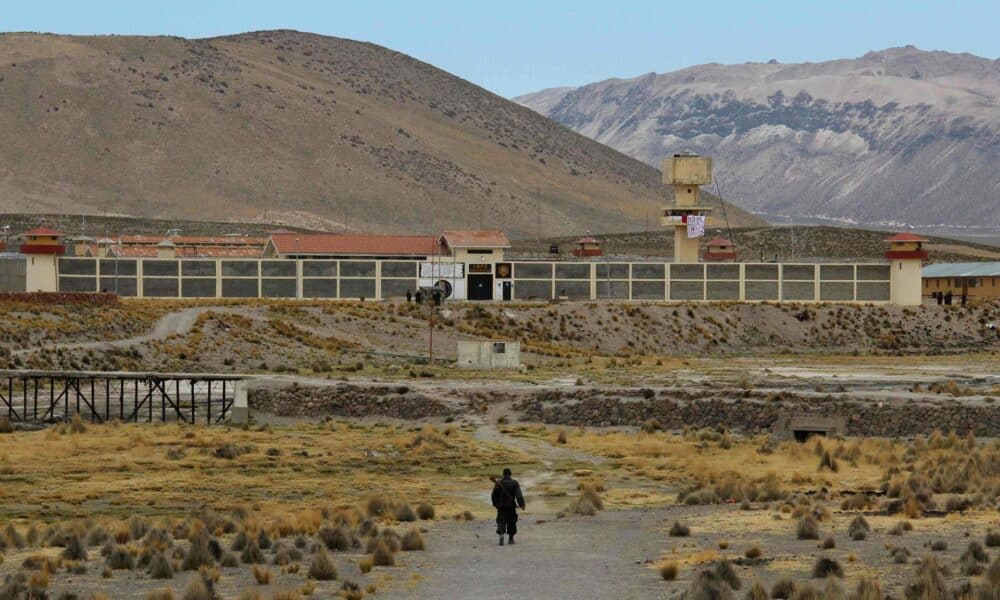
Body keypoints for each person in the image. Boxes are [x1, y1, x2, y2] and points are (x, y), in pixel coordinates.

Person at [491, 467, 525, 546]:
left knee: (501, 520)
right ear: (510, 474)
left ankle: (501, 534)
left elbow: (493, 495)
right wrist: (522, 504)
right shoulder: (514, 483)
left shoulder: (499, 482)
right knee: (512, 521)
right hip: (511, 506)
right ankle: (511, 539)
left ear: (503, 474)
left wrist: (495, 504)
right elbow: (519, 495)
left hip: (501, 506)